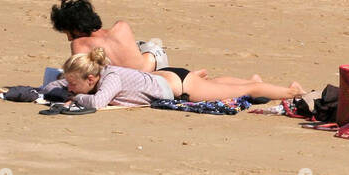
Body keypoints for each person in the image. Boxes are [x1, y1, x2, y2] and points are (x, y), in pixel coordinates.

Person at [43, 47, 303, 110]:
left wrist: (76, 98)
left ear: (91, 78)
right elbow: (55, 84)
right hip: (168, 78)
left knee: (245, 91)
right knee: (219, 84)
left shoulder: (110, 79)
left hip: (179, 86)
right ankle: (250, 80)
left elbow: (98, 104)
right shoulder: (98, 74)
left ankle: (292, 92)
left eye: (75, 83)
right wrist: (52, 88)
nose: (70, 87)